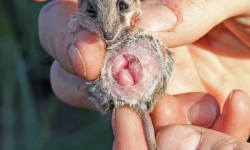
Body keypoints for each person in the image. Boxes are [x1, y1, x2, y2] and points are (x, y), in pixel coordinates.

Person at [39, 0, 250, 149]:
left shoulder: (141, 16)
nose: (108, 31)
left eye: (121, 6)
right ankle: (115, 96)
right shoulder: (81, 17)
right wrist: (77, 21)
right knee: (93, 75)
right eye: (93, 12)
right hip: (122, 82)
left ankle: (137, 99)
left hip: (149, 71)